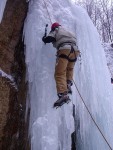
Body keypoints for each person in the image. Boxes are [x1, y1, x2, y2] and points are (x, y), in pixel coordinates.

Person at [42, 22, 80, 107]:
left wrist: (44, 38)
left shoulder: (56, 30)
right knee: (69, 69)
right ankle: (68, 84)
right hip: (75, 51)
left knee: (60, 73)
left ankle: (63, 94)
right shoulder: (68, 31)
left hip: (65, 49)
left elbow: (50, 38)